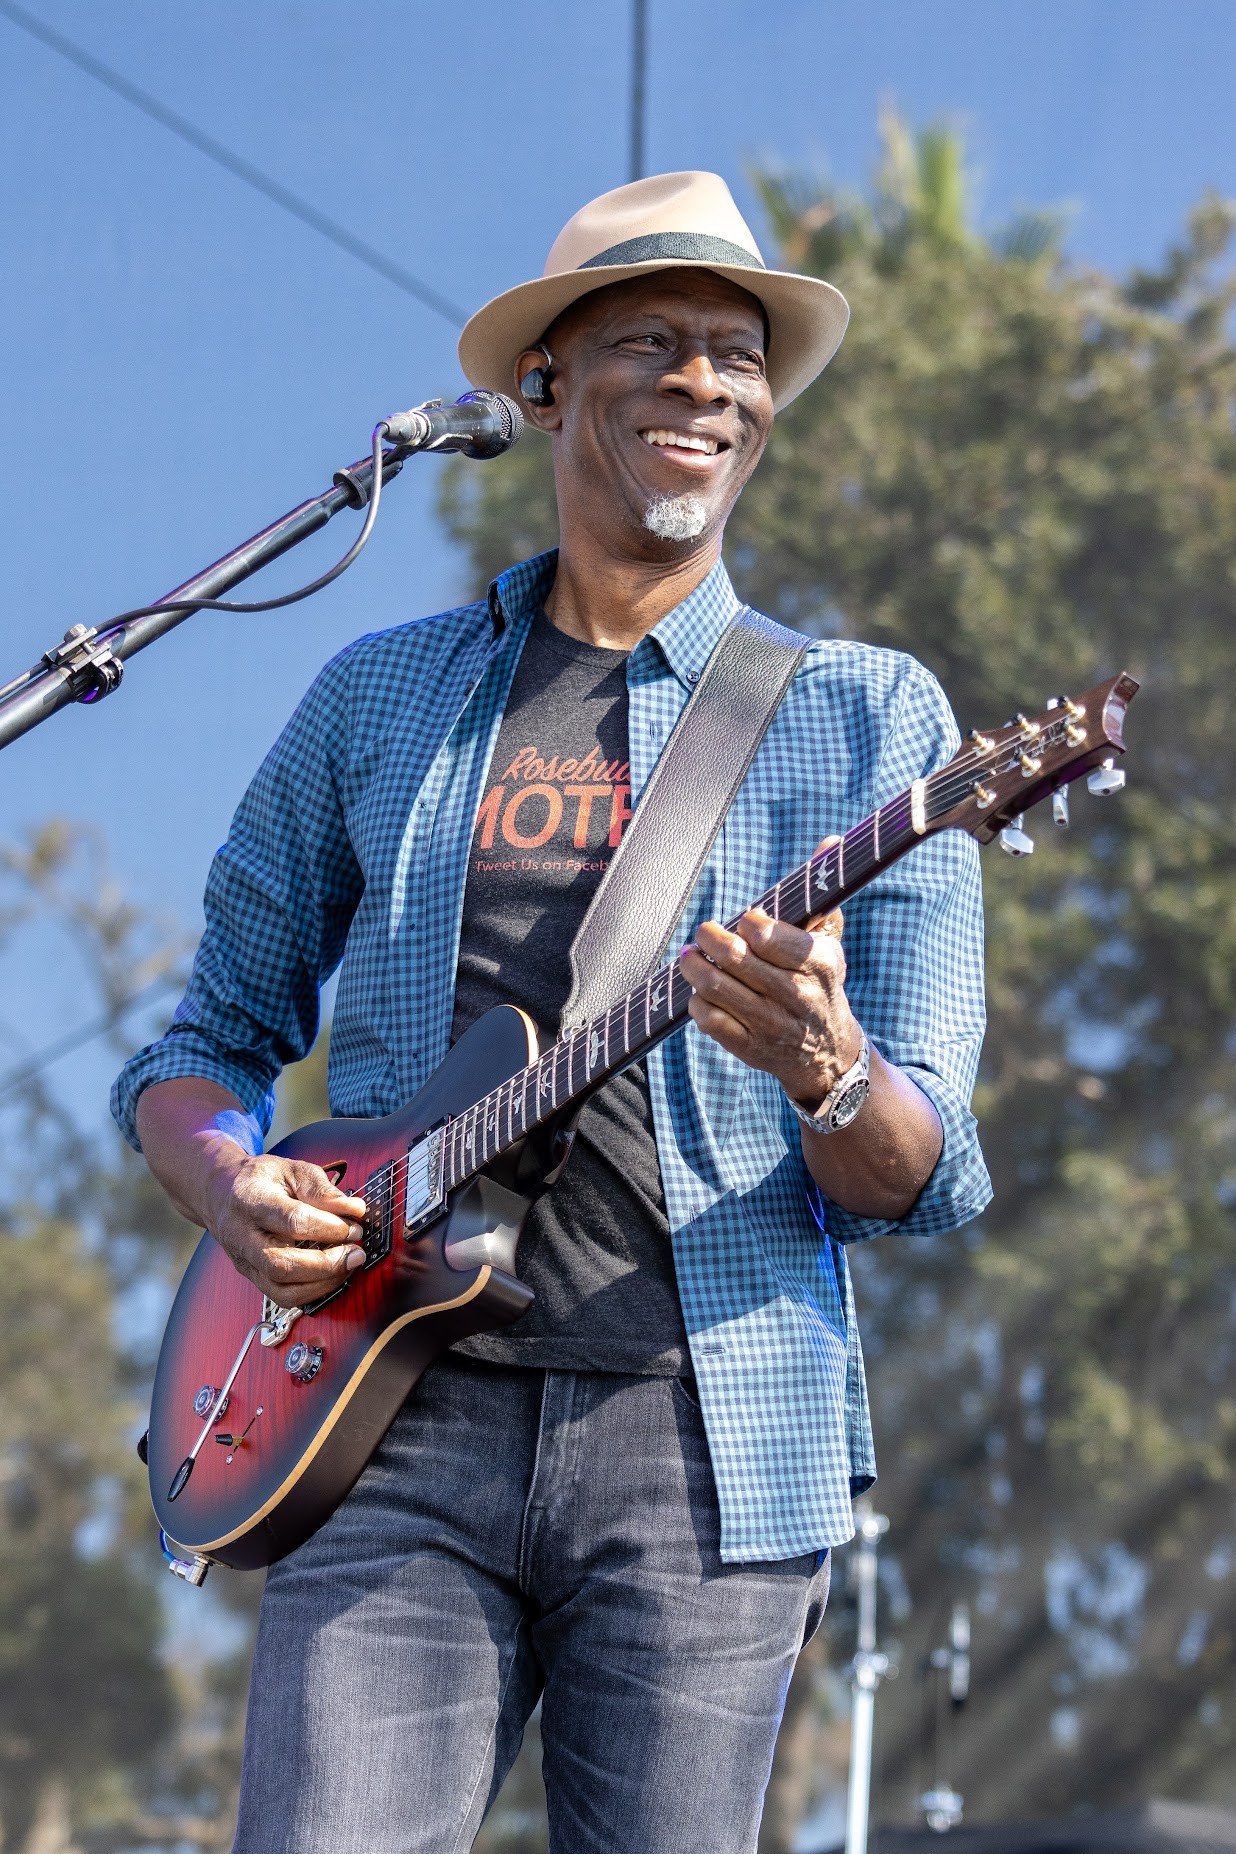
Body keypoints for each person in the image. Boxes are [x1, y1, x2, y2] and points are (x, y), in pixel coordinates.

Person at [113, 171, 992, 1854]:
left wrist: (828, 1065)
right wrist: (230, 1180)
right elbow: (201, 1046)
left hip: (705, 1436)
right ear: (544, 382)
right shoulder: (382, 695)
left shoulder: (869, 721)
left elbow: (922, 1164)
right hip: (385, 1424)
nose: (704, 382)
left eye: (739, 353)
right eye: (651, 339)